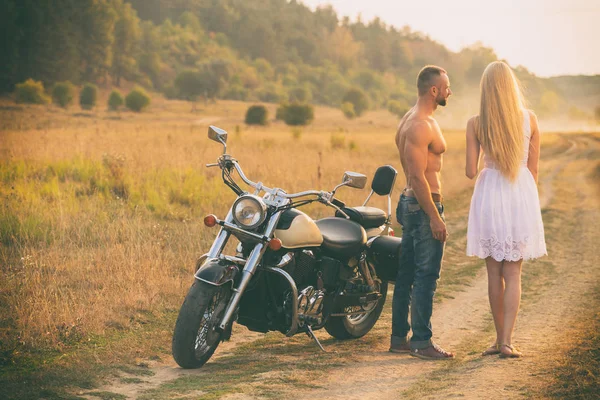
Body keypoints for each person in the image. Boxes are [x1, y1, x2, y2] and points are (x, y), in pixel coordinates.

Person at [465, 61, 547, 358]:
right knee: (513, 273)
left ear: (486, 90)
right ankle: (508, 342)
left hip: (490, 197)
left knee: (493, 274)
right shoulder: (531, 120)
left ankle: (499, 340)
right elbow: (533, 172)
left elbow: (470, 172)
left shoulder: (476, 123)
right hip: (519, 194)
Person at [390, 65, 454, 360]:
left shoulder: (410, 119)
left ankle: (399, 338)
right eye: (446, 86)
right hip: (421, 204)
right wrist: (435, 216)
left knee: (406, 275)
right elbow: (417, 177)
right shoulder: (420, 125)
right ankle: (422, 343)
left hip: (410, 204)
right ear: (434, 90)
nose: (449, 91)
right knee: (425, 275)